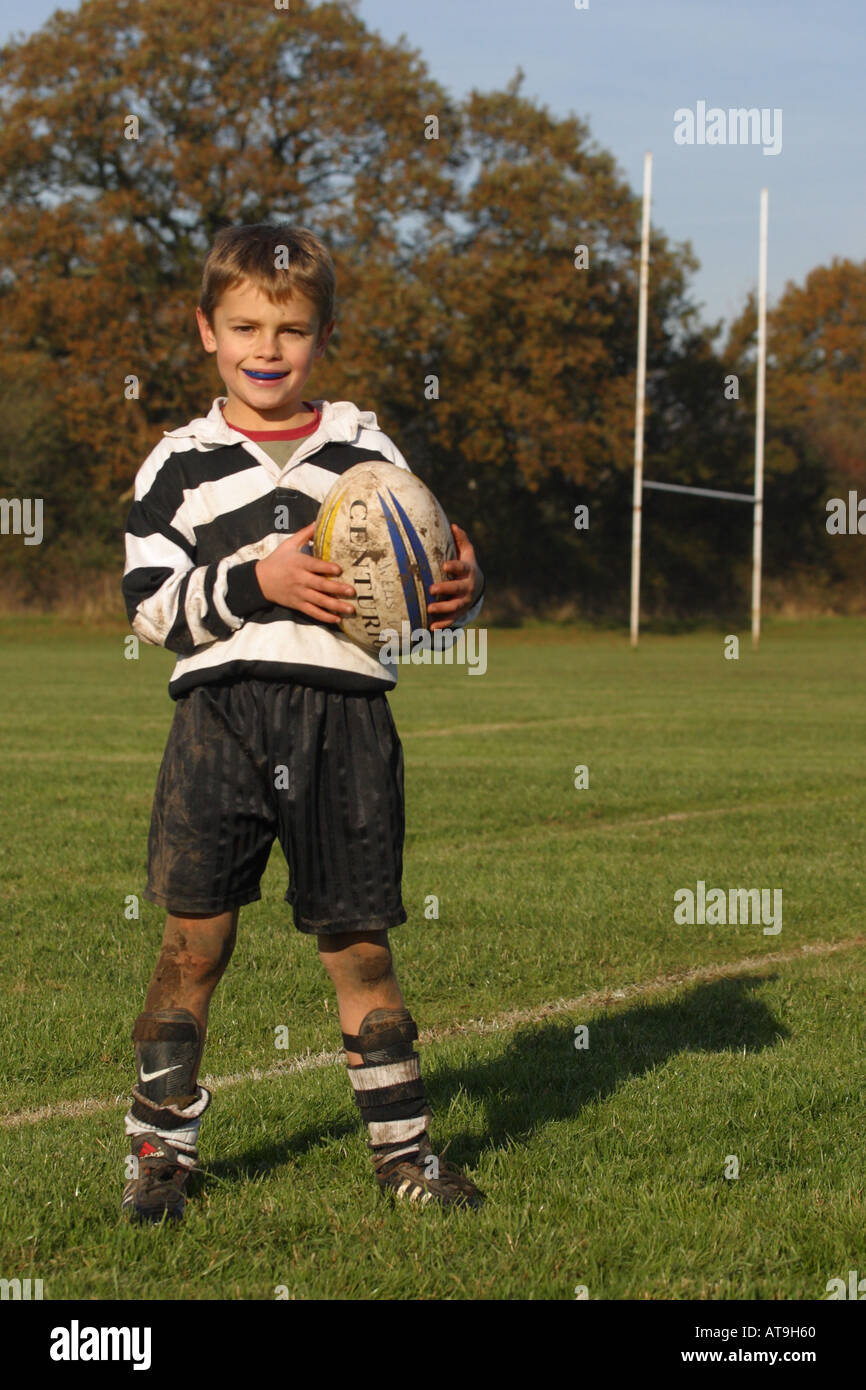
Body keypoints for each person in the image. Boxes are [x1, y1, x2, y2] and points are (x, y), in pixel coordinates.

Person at [120, 223, 486, 1222]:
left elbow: (423, 563)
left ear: (321, 334)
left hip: (344, 721)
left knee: (357, 944)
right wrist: (259, 576)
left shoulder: (364, 447)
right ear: (206, 331)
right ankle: (160, 1155)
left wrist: (460, 584)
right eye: (243, 325)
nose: (265, 347)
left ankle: (402, 1155)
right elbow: (150, 605)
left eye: (288, 327)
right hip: (221, 722)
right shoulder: (178, 464)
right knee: (195, 941)